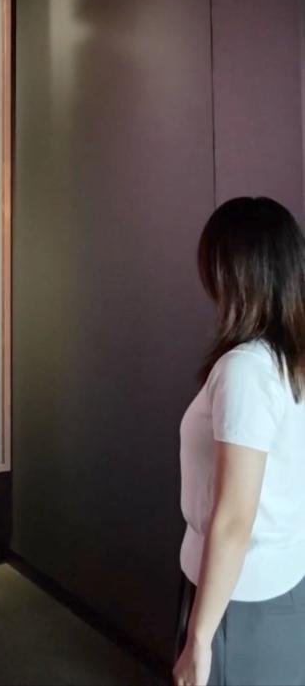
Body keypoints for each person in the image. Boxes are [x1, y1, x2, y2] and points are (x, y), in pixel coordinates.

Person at [173, 197, 305, 686]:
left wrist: (198, 639)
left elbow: (233, 519)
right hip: (274, 585)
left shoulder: (246, 370)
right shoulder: (287, 359)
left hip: (237, 598)